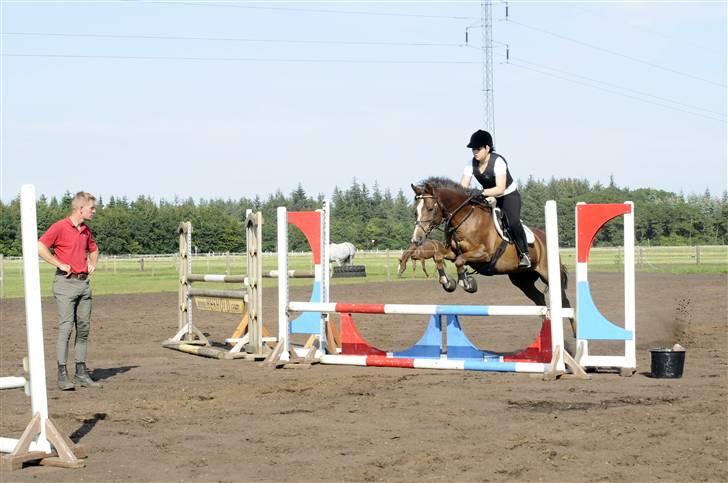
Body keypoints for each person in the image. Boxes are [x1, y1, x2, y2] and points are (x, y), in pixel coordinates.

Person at [38, 191, 101, 390]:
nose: (94, 211)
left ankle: (81, 373)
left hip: (84, 285)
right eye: (92, 208)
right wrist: (58, 263)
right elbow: (40, 246)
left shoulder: (85, 230)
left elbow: (94, 249)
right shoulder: (59, 227)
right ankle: (62, 374)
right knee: (66, 328)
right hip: (65, 284)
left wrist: (93, 264)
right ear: (80, 208)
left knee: (83, 329)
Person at [460, 129, 531, 269]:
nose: (475, 152)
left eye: (478, 149)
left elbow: (500, 189)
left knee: (513, 222)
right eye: (473, 149)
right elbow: (462, 186)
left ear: (487, 148)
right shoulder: (470, 164)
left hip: (508, 196)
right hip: (488, 196)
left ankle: (524, 254)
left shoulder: (498, 161)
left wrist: (480, 192)